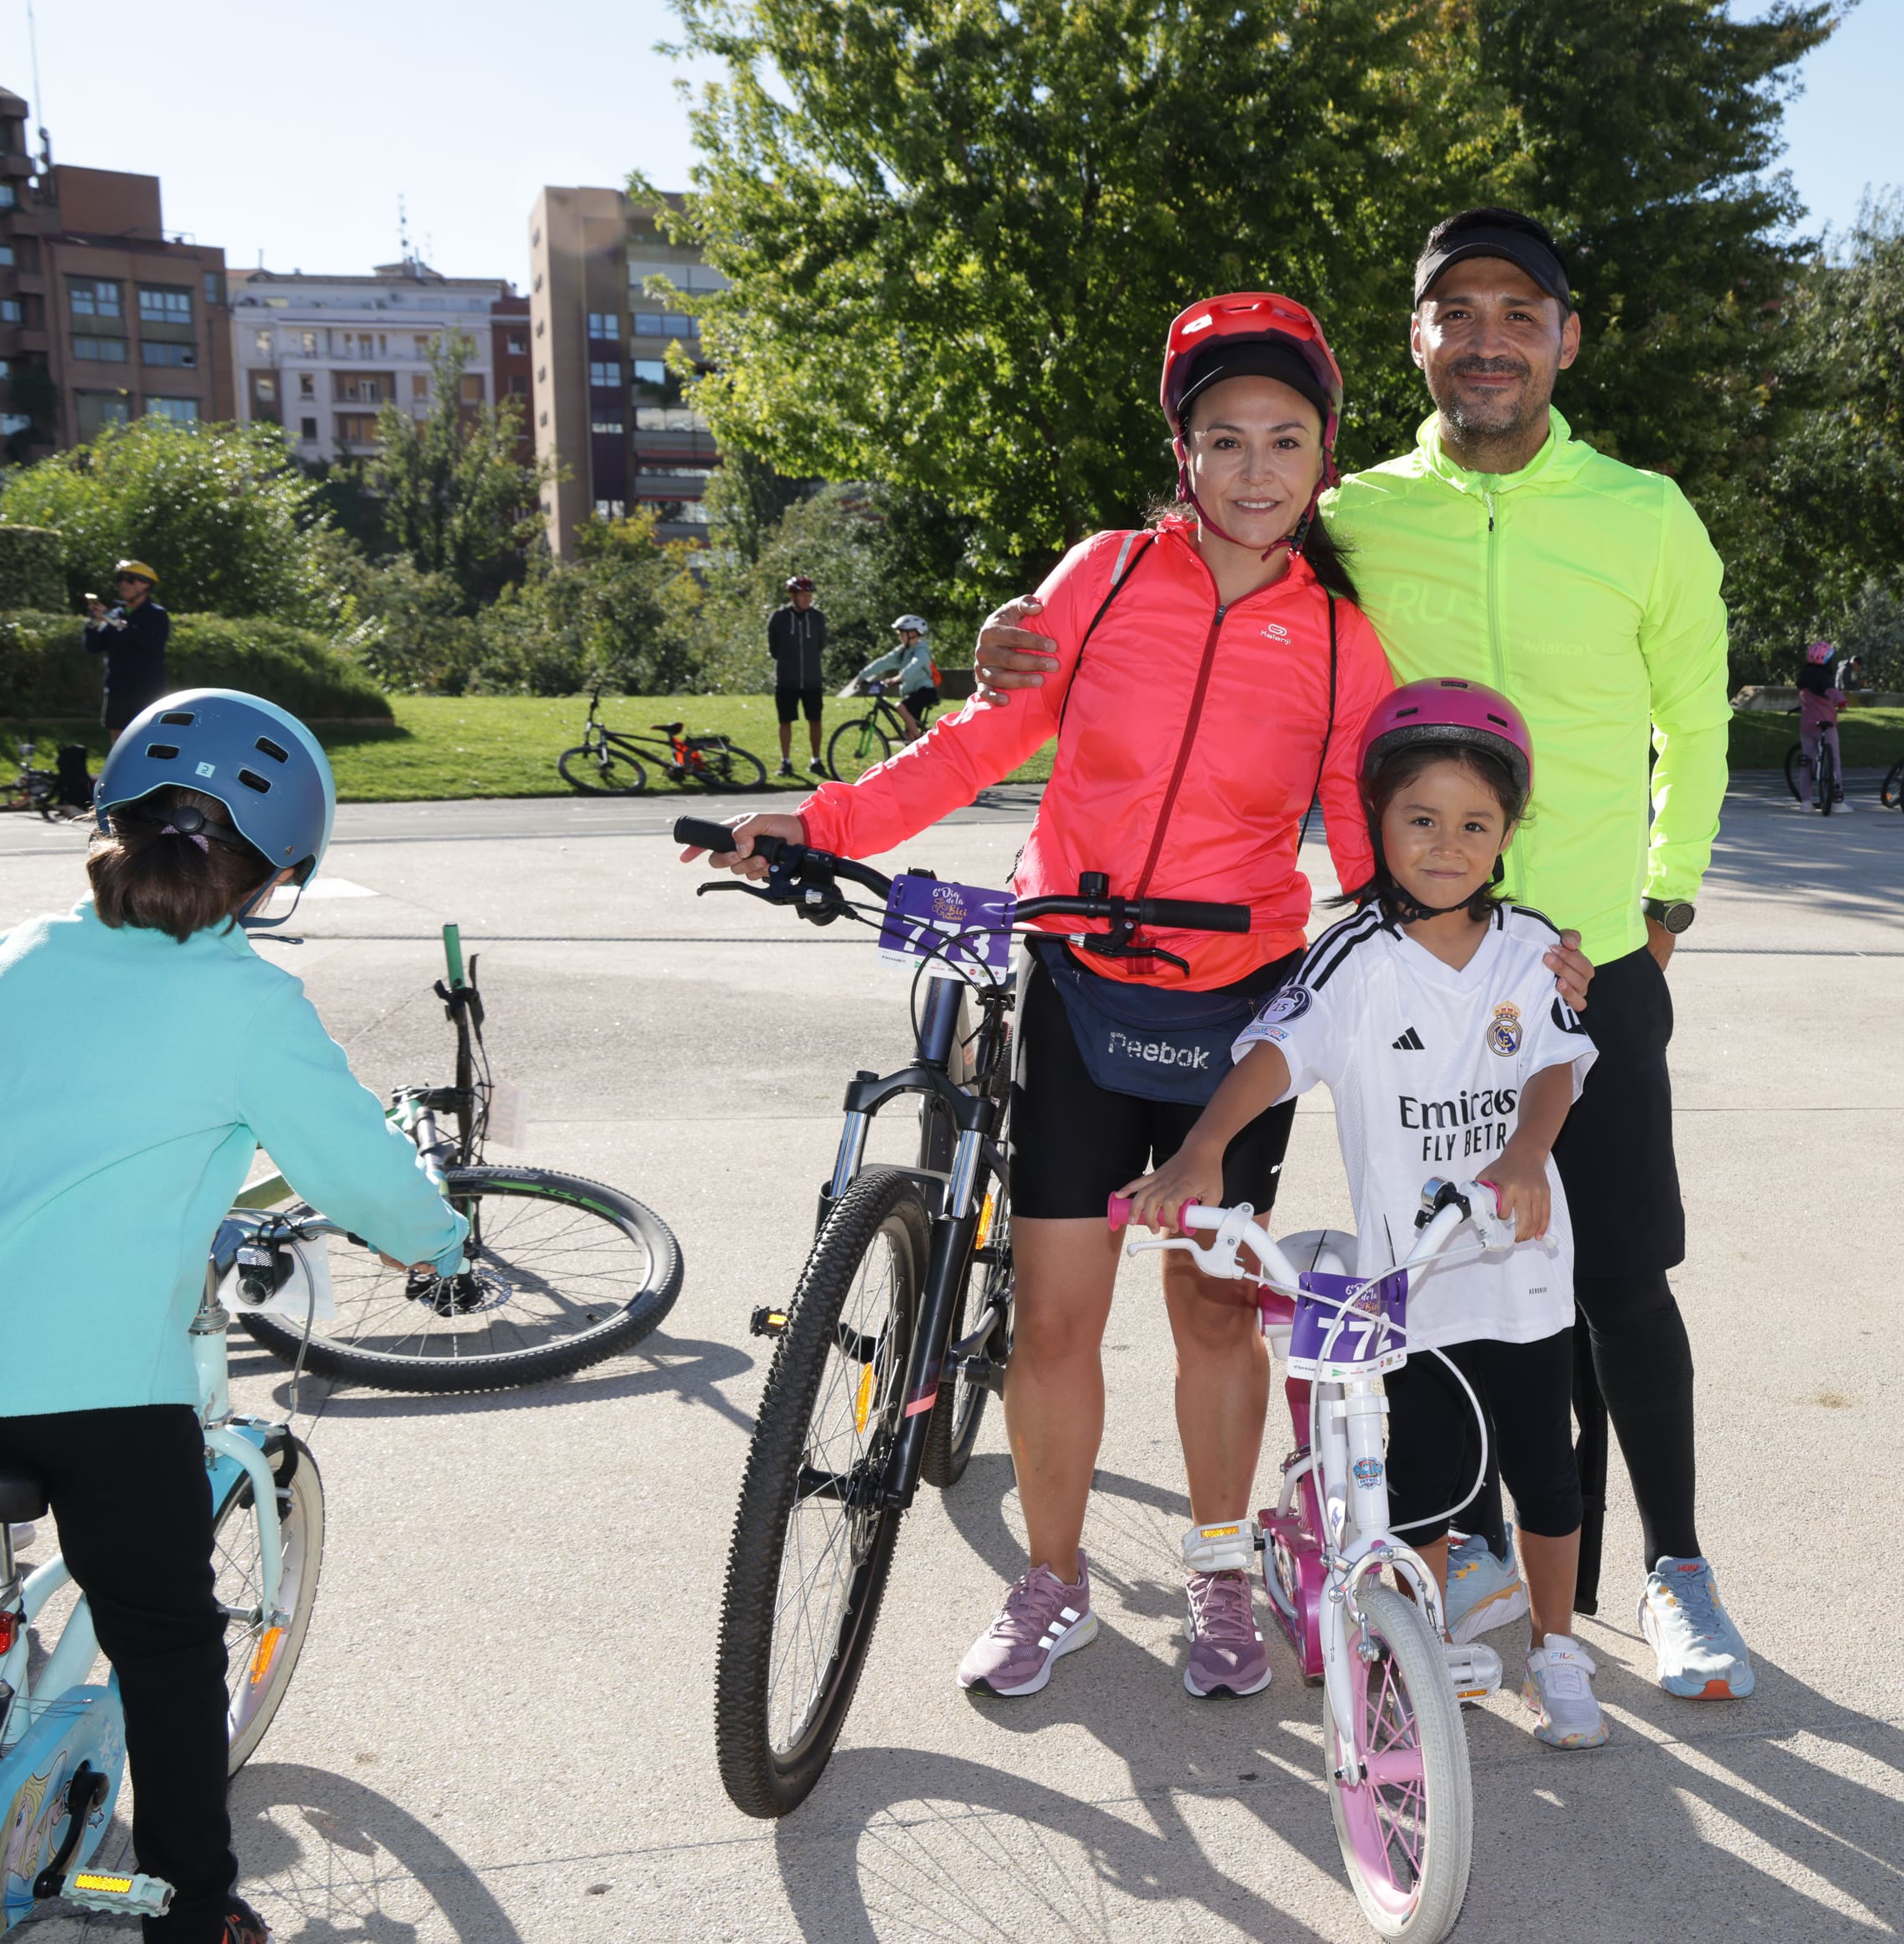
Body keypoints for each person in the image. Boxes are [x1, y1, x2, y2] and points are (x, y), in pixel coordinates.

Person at [686, 292, 1585, 1702]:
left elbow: (1393, 853)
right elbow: (982, 737)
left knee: (1216, 1314)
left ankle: (1222, 1570)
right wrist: (828, 822)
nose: (1255, 469)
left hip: (1238, 1011)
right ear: (1183, 452)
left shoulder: (1346, 642)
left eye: (1286, 440)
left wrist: (1520, 947)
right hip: (1081, 988)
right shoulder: (1101, 578)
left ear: (1324, 459)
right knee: (1053, 1317)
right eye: (1224, 438)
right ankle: (1056, 1581)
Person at [975, 207, 1753, 1702]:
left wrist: (1664, 898)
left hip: (1587, 956)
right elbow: (1194, 574)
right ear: (1418, 342)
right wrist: (1022, 632)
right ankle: (1473, 1558)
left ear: (1565, 337)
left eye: (1518, 312)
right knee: (1441, 1268)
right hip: (1419, 963)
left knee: (1621, 1280)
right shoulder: (1358, 511)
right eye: (1454, 312)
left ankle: (1675, 1569)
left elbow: (1698, 719)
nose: (1487, 338)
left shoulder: (1647, 510)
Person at [0, 689, 468, 1944]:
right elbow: (356, 1174)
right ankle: (196, 1905)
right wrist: (441, 1245)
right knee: (170, 1640)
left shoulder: (14, 952)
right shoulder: (249, 1005)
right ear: (279, 874)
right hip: (98, 1385)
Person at [1124, 680, 1610, 1747]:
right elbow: (1272, 1054)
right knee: (1427, 1485)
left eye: (1474, 824)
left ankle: (1560, 1647)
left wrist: (1525, 1152)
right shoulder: (1354, 957)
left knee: (1549, 1474)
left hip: (1525, 1270)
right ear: (1376, 823)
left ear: (1506, 835)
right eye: (1420, 819)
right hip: (1414, 1286)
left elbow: (1556, 1068)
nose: (1446, 843)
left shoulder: (1531, 944)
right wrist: (1203, 1148)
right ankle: (1424, 1655)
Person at [83, 559, 171, 737]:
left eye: (131, 579)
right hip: (118, 688)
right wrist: (92, 623)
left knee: (147, 738)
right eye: (121, 579)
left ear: (146, 585)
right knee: (118, 740)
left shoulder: (157, 615)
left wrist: (116, 623)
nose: (123, 583)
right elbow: (93, 647)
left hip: (147, 690)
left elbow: (152, 645)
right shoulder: (116, 614)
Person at [767, 574, 831, 778]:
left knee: (815, 720)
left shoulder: (818, 617)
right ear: (793, 596)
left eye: (809, 595)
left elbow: (820, 645)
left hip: (812, 680)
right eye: (803, 595)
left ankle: (816, 760)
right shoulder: (779, 617)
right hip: (786, 680)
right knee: (785, 721)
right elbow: (774, 648)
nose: (807, 599)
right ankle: (786, 762)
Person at [848, 614, 942, 739]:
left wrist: (899, 677)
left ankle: (920, 738)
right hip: (912, 694)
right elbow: (883, 662)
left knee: (899, 706)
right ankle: (916, 742)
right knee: (907, 736)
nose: (899, 637)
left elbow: (915, 664)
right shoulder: (903, 651)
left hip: (925, 692)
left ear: (913, 634)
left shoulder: (922, 651)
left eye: (902, 633)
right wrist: (863, 675)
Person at [1796, 637, 1850, 811]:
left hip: (1807, 725)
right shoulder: (1826, 681)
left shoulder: (1803, 679)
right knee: (1833, 759)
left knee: (1807, 760)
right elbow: (1837, 696)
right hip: (1826, 725)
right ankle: (1837, 801)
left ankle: (1806, 801)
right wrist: (1842, 704)